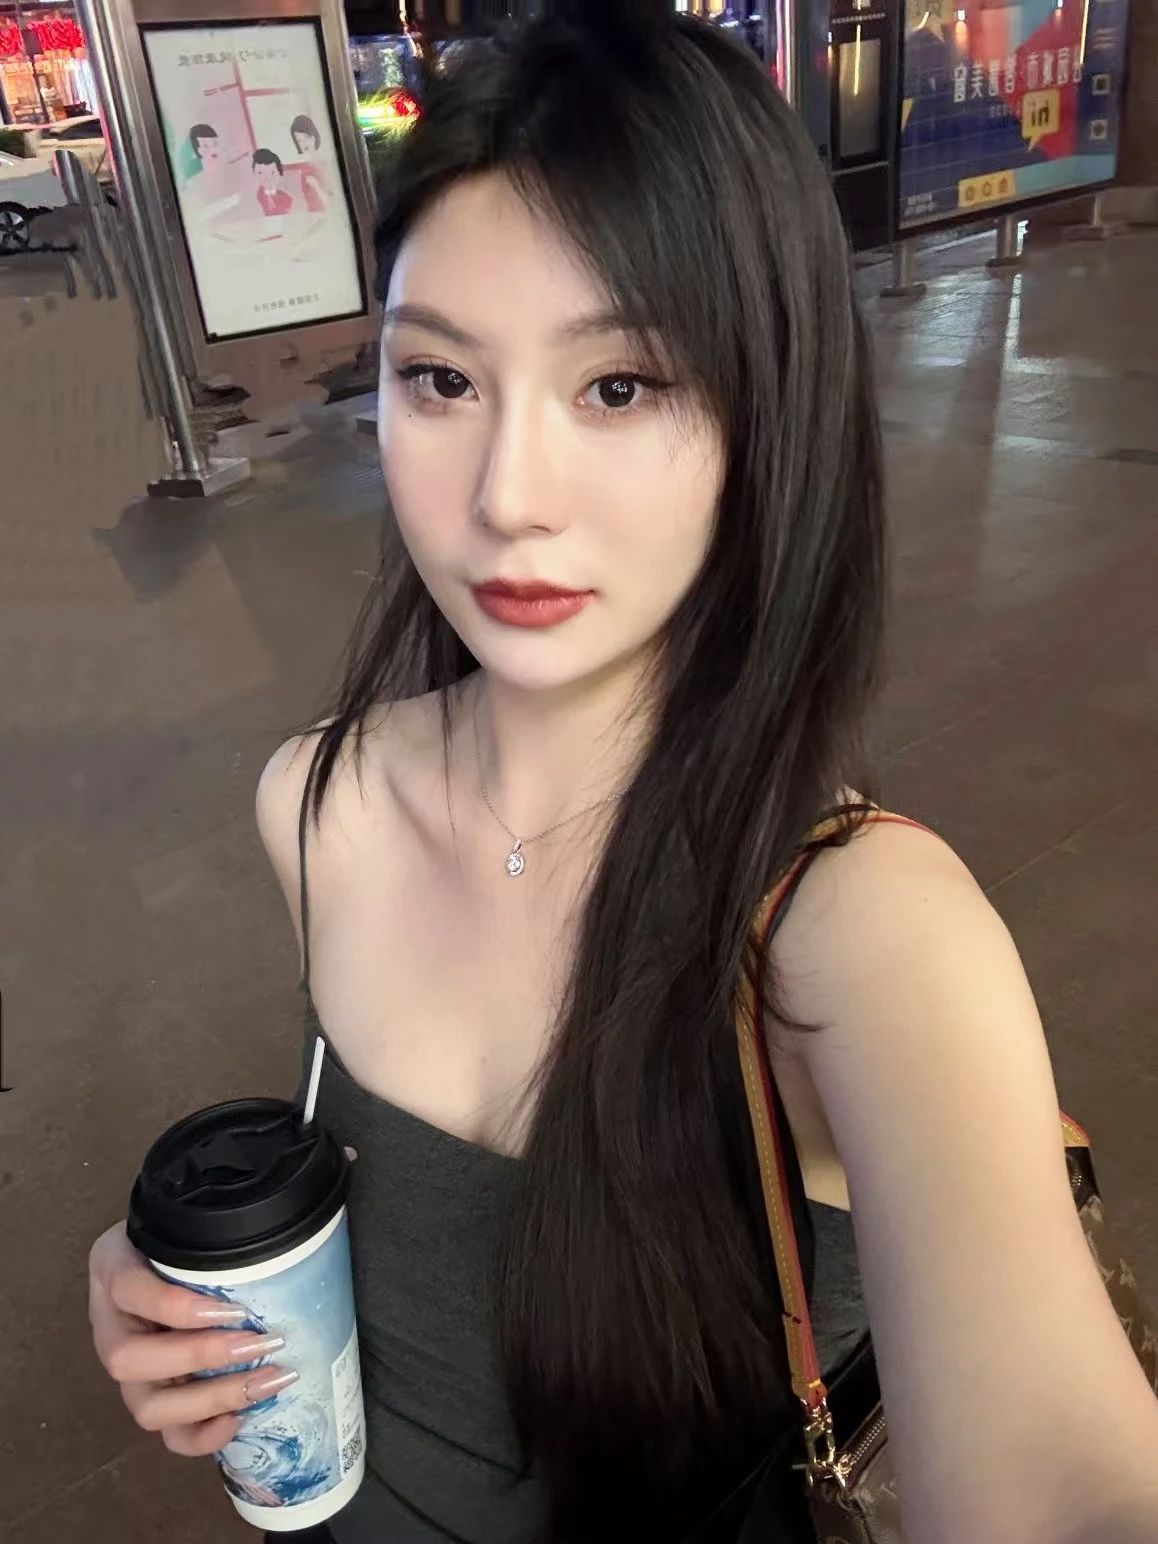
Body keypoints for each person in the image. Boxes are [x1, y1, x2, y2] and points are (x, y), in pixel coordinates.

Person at [87, 9, 1158, 1544]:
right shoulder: (317, 805)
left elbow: (1060, 1486)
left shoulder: (860, 937)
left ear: (766, 409)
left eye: (620, 386)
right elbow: (404, 1248)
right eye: (440, 378)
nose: (508, 498)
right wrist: (175, 1281)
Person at [290, 111, 332, 214]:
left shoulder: (325, 165)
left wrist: (316, 186)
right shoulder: (304, 169)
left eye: (307, 137)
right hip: (312, 216)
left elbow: (332, 203)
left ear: (314, 136)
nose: (304, 144)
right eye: (299, 141)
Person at [252, 147, 293, 217]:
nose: (267, 177)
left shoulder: (282, 193)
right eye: (260, 172)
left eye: (272, 172)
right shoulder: (260, 192)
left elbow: (288, 203)